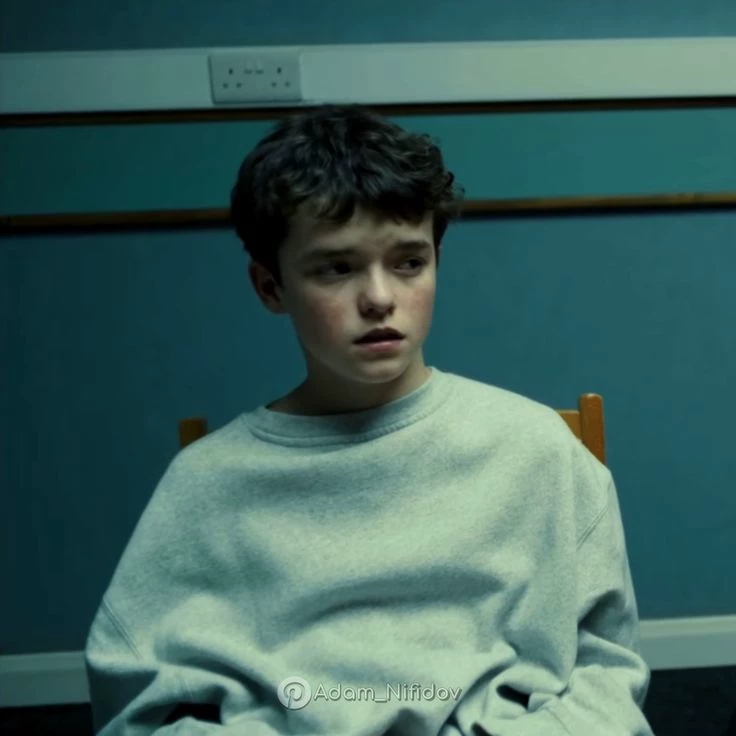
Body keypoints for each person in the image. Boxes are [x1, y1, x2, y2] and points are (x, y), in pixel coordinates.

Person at [84, 103, 653, 735]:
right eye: (337, 267)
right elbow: (140, 707)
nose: (380, 298)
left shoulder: (536, 448)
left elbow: (607, 675)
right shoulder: (207, 483)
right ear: (270, 287)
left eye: (409, 262)